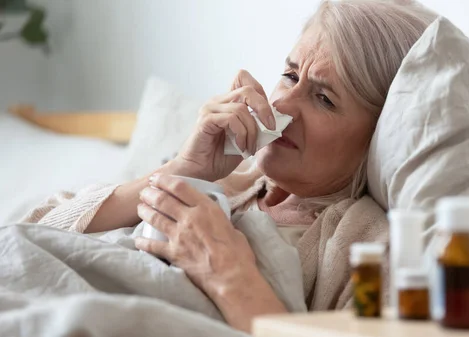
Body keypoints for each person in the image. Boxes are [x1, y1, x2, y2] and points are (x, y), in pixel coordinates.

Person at [22, 0, 436, 333]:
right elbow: (32, 233)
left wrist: (225, 272)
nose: (281, 104)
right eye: (290, 76)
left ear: (378, 137)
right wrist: (183, 170)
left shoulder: (367, 246)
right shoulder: (225, 182)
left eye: (324, 98)